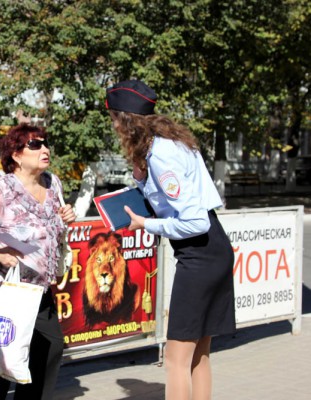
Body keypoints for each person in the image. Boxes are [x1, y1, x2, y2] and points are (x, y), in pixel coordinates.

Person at [105, 79, 235, 400]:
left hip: (199, 253)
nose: (113, 126)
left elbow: (194, 222)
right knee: (199, 354)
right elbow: (171, 199)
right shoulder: (168, 144)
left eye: (114, 119)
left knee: (175, 360)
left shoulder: (160, 155)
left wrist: (146, 224)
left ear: (126, 120)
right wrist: (140, 178)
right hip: (213, 249)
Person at [0, 123, 76, 400]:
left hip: (38, 288)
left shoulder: (53, 183)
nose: (45, 149)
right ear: (15, 154)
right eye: (35, 145)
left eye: (46, 142)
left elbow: (53, 227)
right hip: (2, 290)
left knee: (49, 351)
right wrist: (0, 256)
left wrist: (67, 217)